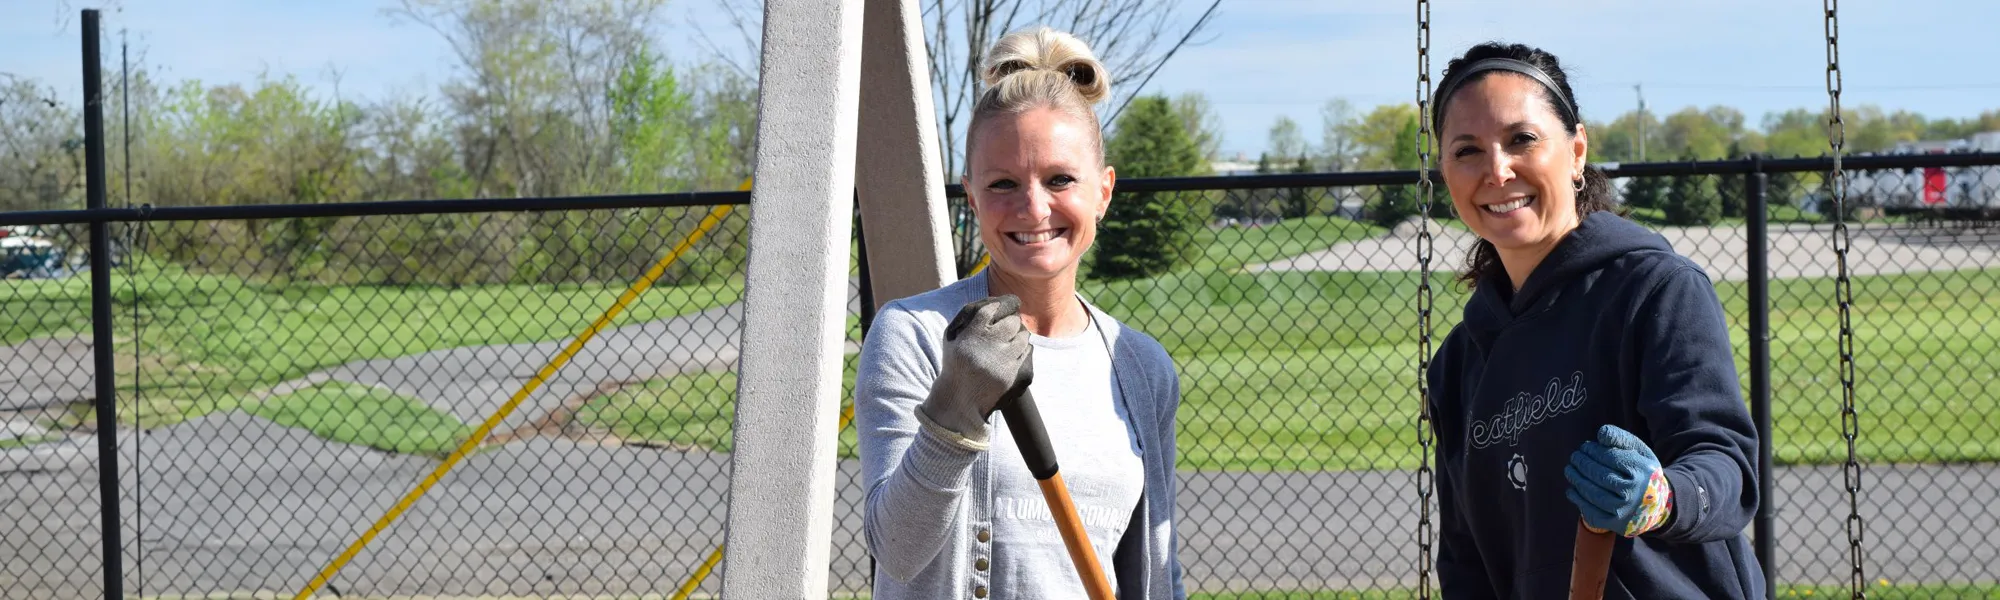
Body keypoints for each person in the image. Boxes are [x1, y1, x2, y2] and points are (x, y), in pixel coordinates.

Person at [853, 26, 1186, 600]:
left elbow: (1155, 576)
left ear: (1103, 192)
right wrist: (954, 410)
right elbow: (897, 551)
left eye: (1060, 179)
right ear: (972, 196)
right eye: (1003, 183)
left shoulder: (1142, 369)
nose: (1033, 207)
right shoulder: (915, 335)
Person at [1423, 42, 1766, 599]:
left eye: (1521, 140)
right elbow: (1466, 559)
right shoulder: (1459, 362)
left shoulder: (1654, 291)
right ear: (1445, 172)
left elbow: (1727, 467)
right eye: (1467, 150)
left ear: (1576, 151)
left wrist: (1665, 497)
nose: (1497, 170)